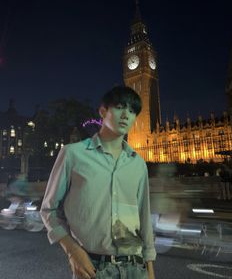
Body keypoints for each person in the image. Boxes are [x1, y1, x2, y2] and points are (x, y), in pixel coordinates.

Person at [40, 86, 156, 279]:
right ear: (103, 111)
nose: (126, 115)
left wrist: (150, 270)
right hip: (94, 268)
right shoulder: (72, 154)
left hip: (136, 267)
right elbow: (49, 210)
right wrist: (73, 251)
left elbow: (144, 218)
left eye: (133, 111)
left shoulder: (138, 163)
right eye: (120, 107)